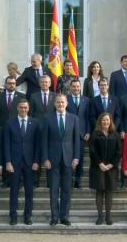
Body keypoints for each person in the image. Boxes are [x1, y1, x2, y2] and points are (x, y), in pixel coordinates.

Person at [42, 94, 80, 226]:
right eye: (58, 102)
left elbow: (76, 140)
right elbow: (44, 140)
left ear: (67, 103)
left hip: (68, 159)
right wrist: (45, 158)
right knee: (53, 190)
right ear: (54, 104)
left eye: (62, 102)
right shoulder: (47, 118)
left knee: (66, 190)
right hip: (52, 160)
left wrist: (76, 157)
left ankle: (64, 216)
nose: (60, 104)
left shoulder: (74, 118)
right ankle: (54, 217)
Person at [4, 99, 40, 225]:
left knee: (29, 191)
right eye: (21, 107)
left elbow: (37, 144)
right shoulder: (10, 123)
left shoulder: (35, 123)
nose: (23, 109)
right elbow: (6, 144)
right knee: (14, 190)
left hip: (30, 162)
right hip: (14, 162)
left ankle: (27, 216)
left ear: (28, 108)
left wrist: (36, 161)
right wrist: (8, 162)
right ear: (17, 108)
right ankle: (13, 216)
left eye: (25, 107)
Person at [0, 75, 26, 189]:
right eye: (9, 83)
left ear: (16, 85)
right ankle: (6, 180)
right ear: (5, 84)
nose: (11, 85)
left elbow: (25, 113)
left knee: (17, 153)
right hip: (2, 130)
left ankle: (19, 180)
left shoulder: (22, 96)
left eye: (13, 83)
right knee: (4, 153)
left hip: (17, 130)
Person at [88, 113, 121, 225]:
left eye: (107, 120)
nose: (105, 122)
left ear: (110, 121)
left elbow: (119, 152)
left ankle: (108, 217)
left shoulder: (115, 135)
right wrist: (100, 164)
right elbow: (92, 151)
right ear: (100, 122)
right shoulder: (95, 134)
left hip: (111, 168)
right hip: (98, 168)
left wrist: (112, 164)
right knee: (99, 191)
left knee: (109, 192)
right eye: (103, 120)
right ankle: (100, 217)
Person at [30, 75, 56, 188]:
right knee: (36, 156)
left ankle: (50, 183)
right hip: (37, 130)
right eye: (43, 82)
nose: (45, 84)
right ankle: (35, 181)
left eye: (47, 82)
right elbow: (31, 113)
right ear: (40, 84)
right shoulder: (33, 96)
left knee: (50, 156)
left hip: (51, 132)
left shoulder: (55, 96)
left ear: (50, 84)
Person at [66, 79, 90, 188]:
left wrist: (88, 131)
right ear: (70, 88)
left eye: (77, 86)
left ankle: (78, 180)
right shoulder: (66, 99)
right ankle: (69, 179)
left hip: (81, 134)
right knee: (68, 157)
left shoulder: (86, 100)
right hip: (68, 133)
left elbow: (88, 117)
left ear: (80, 88)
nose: (76, 88)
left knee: (79, 157)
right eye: (74, 86)